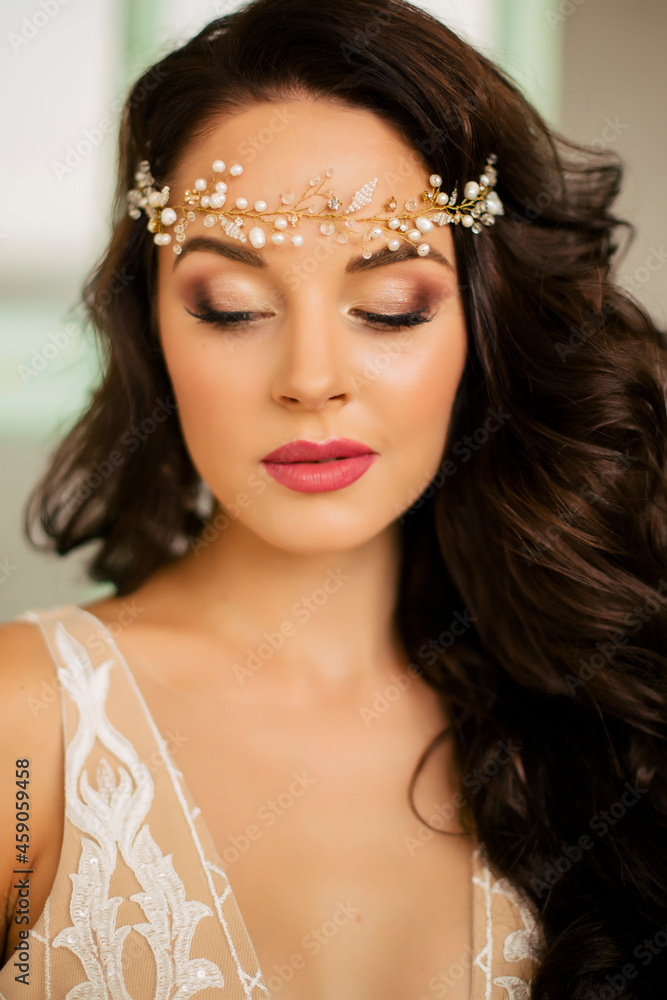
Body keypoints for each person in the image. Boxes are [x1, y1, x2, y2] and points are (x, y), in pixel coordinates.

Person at [1, 0, 666, 996]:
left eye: (390, 308)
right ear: (151, 326)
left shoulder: (587, 720)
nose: (311, 378)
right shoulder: (26, 729)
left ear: (480, 326)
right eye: (232, 308)